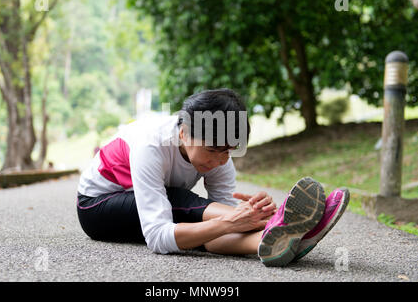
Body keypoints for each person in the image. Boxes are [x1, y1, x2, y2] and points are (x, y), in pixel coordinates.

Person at [76, 88, 349, 267]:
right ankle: (275, 224)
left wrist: (246, 214)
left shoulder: (219, 153)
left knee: (206, 224)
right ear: (183, 133)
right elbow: (158, 237)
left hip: (152, 204)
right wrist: (234, 218)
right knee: (180, 201)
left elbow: (220, 224)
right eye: (213, 151)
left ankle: (283, 243)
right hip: (96, 206)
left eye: (228, 151)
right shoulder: (151, 145)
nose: (221, 160)